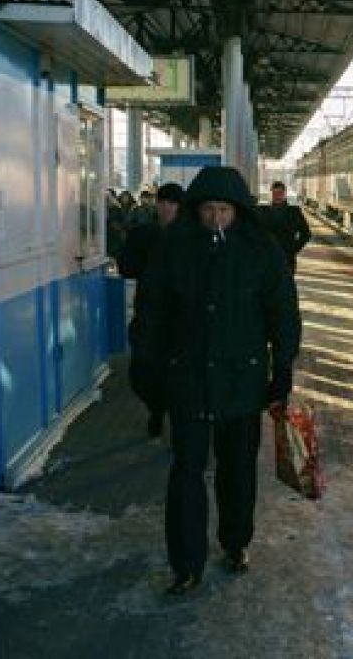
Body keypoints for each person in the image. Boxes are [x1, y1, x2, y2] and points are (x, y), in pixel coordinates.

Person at [131, 166, 301, 595]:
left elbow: (283, 312)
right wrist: (146, 364)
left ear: (239, 211)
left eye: (224, 210)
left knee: (237, 469)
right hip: (186, 378)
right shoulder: (174, 248)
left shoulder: (262, 250)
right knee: (186, 471)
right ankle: (186, 564)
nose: (215, 218)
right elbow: (151, 311)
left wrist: (282, 367)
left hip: (242, 381)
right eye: (207, 209)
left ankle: (236, 542)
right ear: (195, 210)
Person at [121, 182, 185, 437]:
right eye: (163, 202)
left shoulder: (192, 237)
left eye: (172, 203)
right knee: (143, 372)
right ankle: (156, 408)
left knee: (177, 374)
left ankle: (173, 418)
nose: (166, 208)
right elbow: (126, 267)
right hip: (149, 315)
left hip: (181, 319)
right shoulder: (143, 234)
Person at [258, 181, 312, 274]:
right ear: (271, 194)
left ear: (285, 193)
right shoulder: (262, 211)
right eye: (274, 193)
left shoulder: (294, 212)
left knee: (287, 285)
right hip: (267, 258)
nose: (277, 196)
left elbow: (306, 233)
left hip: (287, 257)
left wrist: (294, 249)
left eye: (280, 193)